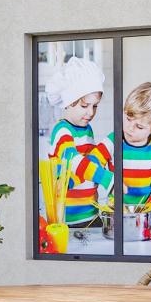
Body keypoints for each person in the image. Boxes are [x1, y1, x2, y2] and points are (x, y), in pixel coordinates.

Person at [77, 81, 151, 232]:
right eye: (128, 118)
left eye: (139, 126)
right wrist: (107, 179)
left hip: (148, 214)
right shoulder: (113, 140)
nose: (129, 127)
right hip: (118, 213)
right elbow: (92, 161)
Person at [45, 55, 105, 227]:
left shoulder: (87, 129)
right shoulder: (62, 131)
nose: (91, 112)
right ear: (67, 102)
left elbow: (91, 163)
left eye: (95, 106)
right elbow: (74, 162)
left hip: (92, 214)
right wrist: (107, 179)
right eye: (84, 106)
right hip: (67, 220)